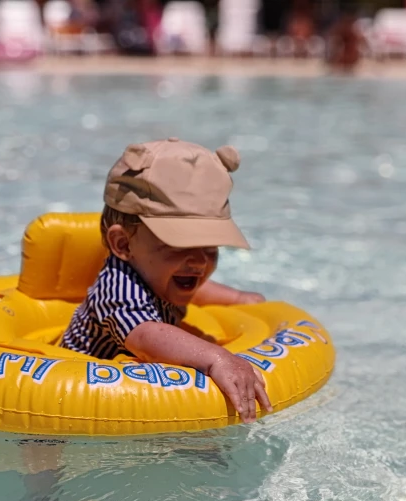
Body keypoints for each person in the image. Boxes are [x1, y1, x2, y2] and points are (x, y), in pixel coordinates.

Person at [61, 137, 273, 424]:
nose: (199, 262)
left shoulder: (163, 272)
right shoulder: (116, 287)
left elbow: (197, 289)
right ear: (123, 244)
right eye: (180, 245)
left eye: (211, 247)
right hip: (73, 400)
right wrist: (217, 358)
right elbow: (146, 335)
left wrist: (237, 299)